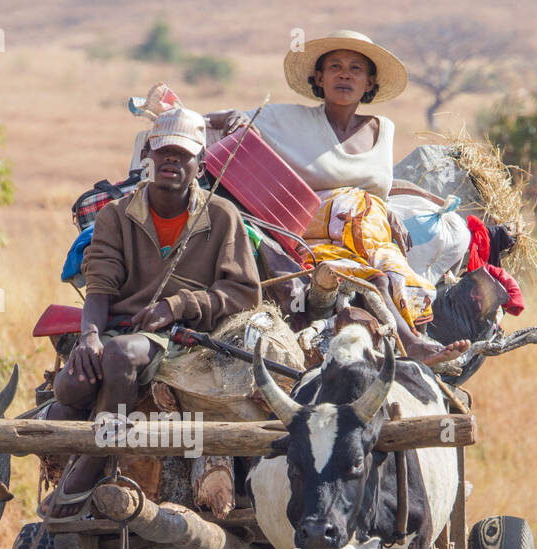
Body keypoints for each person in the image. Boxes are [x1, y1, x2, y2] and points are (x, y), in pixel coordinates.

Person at [45, 107, 261, 519]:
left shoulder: (221, 216)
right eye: (164, 153)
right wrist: (89, 335)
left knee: (121, 356)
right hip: (121, 329)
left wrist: (177, 306)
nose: (172, 162)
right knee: (69, 389)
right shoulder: (116, 215)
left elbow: (243, 292)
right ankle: (81, 450)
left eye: (184, 156)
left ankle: (92, 465)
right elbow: (100, 286)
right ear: (148, 154)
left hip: (184, 337)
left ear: (201, 166)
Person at [205, 30, 468, 364]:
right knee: (378, 270)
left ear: (370, 83)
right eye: (335, 66)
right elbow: (217, 117)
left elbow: (377, 189)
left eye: (356, 68)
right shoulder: (290, 120)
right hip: (307, 236)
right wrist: (233, 118)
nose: (345, 74)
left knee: (388, 273)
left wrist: (385, 211)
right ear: (319, 77)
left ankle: (415, 341)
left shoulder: (383, 129)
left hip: (368, 236)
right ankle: (413, 343)